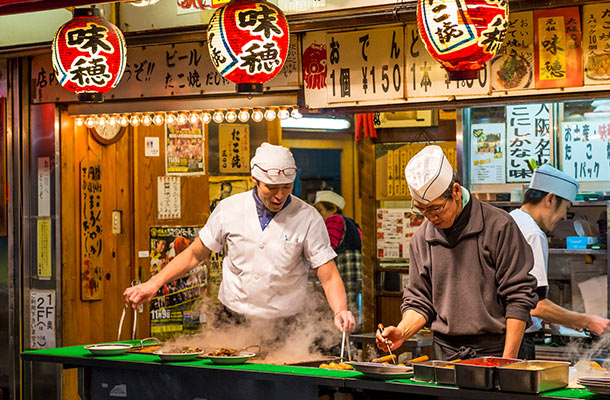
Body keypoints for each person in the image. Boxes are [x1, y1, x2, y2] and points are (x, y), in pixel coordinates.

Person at [124, 142, 355, 333]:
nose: (280, 195)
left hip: (286, 325)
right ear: (254, 180)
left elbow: (328, 275)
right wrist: (152, 284)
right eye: (271, 188)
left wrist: (340, 310)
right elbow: (195, 254)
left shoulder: (308, 217)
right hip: (232, 319)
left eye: (286, 187)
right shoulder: (229, 208)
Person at [375, 145, 538, 360]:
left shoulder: (499, 226)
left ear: (456, 191)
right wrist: (402, 332)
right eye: (421, 209)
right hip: (446, 354)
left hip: (497, 350)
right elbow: (419, 300)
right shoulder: (422, 238)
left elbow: (518, 297)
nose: (429, 217)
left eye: (435, 208)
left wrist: (507, 361)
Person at [510, 164, 610, 359]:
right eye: (566, 208)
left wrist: (563, 320)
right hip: (518, 340)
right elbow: (536, 305)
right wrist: (587, 320)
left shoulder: (512, 219)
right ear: (550, 199)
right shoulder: (532, 233)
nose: (564, 216)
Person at [314, 190, 363, 331]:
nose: (317, 215)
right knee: (352, 306)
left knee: (341, 305)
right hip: (357, 271)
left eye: (319, 210)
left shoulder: (333, 220)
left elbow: (327, 247)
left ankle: (341, 334)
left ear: (333, 209)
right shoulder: (352, 223)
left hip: (344, 269)